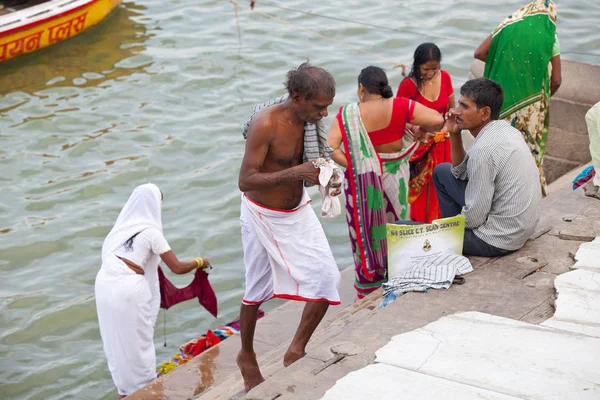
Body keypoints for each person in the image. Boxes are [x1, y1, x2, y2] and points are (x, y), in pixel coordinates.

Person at [237, 62, 342, 392]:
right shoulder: (265, 123)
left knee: (328, 279)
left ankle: (296, 348)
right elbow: (245, 180)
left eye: (327, 105)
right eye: (319, 106)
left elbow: (314, 164)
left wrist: (327, 181)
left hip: (296, 210)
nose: (324, 114)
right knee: (256, 288)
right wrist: (298, 172)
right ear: (296, 97)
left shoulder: (308, 123)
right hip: (260, 213)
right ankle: (246, 355)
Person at [327, 66, 444, 298]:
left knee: (367, 231)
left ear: (361, 89)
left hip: (364, 185)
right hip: (396, 180)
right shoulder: (400, 105)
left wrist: (358, 166)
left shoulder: (348, 114)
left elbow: (331, 146)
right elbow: (438, 119)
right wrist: (418, 128)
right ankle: (400, 275)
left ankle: (370, 283)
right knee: (398, 225)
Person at [95, 183, 210, 399]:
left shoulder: (117, 233)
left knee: (116, 344)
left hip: (103, 286)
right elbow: (176, 267)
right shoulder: (151, 232)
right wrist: (199, 261)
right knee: (139, 346)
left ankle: (124, 392)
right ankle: (142, 389)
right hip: (128, 291)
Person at [432, 78, 541, 257]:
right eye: (459, 104)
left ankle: (453, 241)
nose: (457, 112)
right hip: (521, 228)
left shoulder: (484, 151)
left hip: (499, 240)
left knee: (411, 229)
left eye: (465, 107)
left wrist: (443, 228)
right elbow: (459, 172)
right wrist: (454, 134)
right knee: (442, 172)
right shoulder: (506, 130)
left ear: (485, 113)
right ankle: (453, 235)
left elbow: (475, 218)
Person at [474, 0, 562, 197]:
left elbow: (479, 52)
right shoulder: (550, 36)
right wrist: (541, 100)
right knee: (526, 157)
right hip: (531, 109)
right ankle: (526, 205)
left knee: (497, 155)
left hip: (500, 102)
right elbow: (556, 80)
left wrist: (506, 64)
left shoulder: (507, 24)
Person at [397, 42, 456, 223]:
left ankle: (446, 224)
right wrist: (418, 130)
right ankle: (423, 227)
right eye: (426, 69)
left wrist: (447, 128)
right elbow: (399, 117)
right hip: (420, 147)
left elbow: (451, 109)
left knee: (446, 186)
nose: (430, 73)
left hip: (443, 142)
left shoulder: (445, 77)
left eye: (434, 69)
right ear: (417, 65)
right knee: (423, 194)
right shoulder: (408, 85)